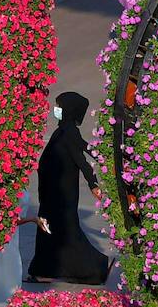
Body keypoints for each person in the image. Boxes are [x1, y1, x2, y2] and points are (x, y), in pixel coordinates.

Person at [27, 92, 111, 285]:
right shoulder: (65, 129)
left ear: (69, 110)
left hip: (60, 194)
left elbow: (80, 161)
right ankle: (46, 270)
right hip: (54, 192)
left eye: (60, 106)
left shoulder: (68, 131)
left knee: (58, 231)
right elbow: (83, 147)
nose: (56, 110)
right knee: (59, 231)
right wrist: (100, 154)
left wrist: (93, 183)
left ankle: (92, 268)